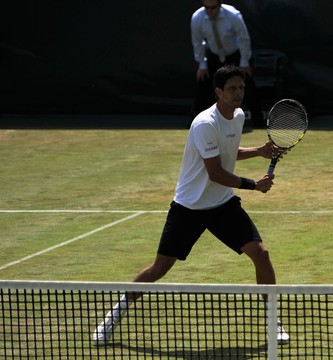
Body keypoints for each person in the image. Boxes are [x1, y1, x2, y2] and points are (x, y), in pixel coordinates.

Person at [92, 65, 288, 346]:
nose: (238, 93)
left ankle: (273, 322)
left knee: (261, 254)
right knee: (158, 269)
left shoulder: (238, 115)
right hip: (189, 208)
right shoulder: (205, 123)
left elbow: (228, 153)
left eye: (241, 87)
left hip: (222, 204)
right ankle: (111, 318)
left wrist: (258, 151)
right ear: (218, 91)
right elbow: (216, 172)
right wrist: (253, 185)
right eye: (231, 88)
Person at [191, 0, 256, 130]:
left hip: (234, 55)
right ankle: (195, 123)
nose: (210, 11)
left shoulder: (233, 15)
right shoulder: (197, 17)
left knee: (246, 86)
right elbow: (197, 42)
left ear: (220, 5)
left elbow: (243, 38)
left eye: (213, 8)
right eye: (206, 8)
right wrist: (202, 64)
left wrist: (244, 61)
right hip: (213, 55)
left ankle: (258, 122)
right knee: (202, 84)